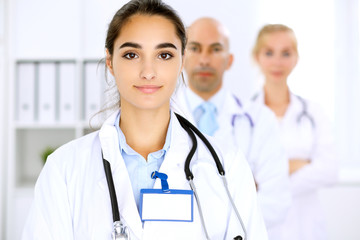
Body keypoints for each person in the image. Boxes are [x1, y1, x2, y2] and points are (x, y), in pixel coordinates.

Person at [21, 1, 268, 239]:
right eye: (131, 55)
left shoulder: (227, 165)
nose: (148, 72)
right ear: (110, 61)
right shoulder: (64, 169)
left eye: (164, 55)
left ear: (182, 60)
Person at [172, 17, 291, 240]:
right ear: (182, 58)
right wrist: (243, 191)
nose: (205, 59)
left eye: (215, 49)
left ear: (230, 60)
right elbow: (160, 203)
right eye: (195, 48)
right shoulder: (162, 119)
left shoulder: (260, 119)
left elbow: (277, 201)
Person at [251, 24, 338, 240]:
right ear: (256, 57)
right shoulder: (244, 115)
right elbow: (242, 176)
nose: (277, 62)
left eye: (286, 53)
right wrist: (296, 165)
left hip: (306, 226)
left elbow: (329, 170)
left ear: (296, 58)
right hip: (262, 226)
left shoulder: (313, 112)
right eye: (269, 52)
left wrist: (269, 180)